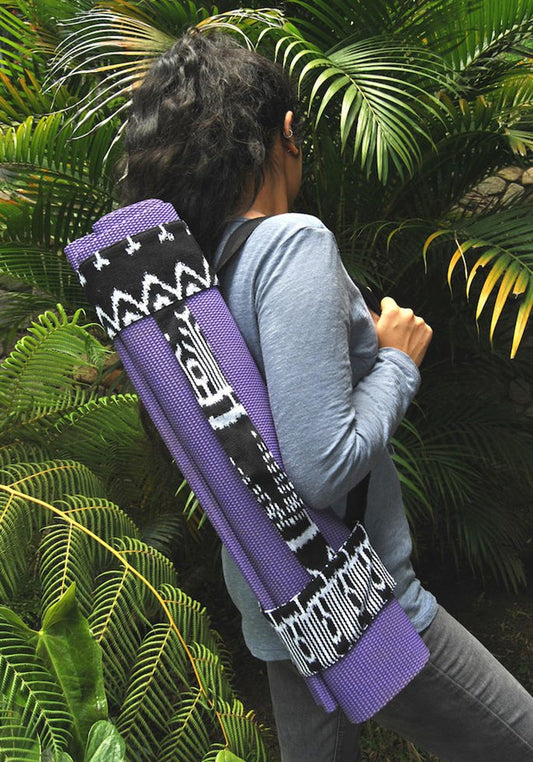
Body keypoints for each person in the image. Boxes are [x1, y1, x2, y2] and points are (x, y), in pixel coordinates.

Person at [121, 31, 533, 761]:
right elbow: (321, 466)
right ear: (288, 132)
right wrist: (398, 361)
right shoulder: (291, 244)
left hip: (281, 602)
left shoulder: (197, 280)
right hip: (362, 603)